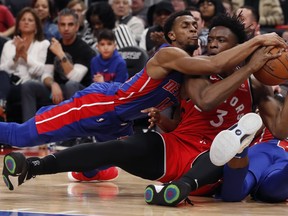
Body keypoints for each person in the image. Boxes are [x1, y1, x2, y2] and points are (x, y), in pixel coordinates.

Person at [1, 11, 286, 195]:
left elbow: (280, 129)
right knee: (24, 135)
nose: (205, 39)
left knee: (106, 161)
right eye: (205, 36)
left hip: (130, 122)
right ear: (171, 35)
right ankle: (34, 166)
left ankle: (90, 174)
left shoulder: (243, 81)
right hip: (105, 106)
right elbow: (207, 99)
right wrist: (255, 51)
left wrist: (165, 121)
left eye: (197, 28)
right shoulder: (184, 63)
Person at [144, 13, 288, 206]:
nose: (212, 44)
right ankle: (238, 145)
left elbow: (279, 130)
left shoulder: (257, 87)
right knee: (235, 193)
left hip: (254, 158)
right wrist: (163, 121)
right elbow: (196, 110)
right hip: (206, 152)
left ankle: (238, 146)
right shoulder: (195, 75)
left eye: (220, 40)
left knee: (257, 193)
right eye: (210, 39)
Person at [21, 8, 96, 122]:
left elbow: (74, 77)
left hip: (79, 91)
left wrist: (61, 54)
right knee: (29, 86)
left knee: (70, 85)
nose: (66, 28)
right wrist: (53, 84)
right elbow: (46, 75)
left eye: (70, 24)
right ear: (58, 26)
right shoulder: (54, 45)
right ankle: (31, 131)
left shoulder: (84, 49)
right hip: (57, 90)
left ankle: (73, 134)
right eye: (62, 24)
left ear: (76, 27)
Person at [210, 116, 288, 203]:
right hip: (267, 150)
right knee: (272, 192)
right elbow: (257, 123)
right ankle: (241, 145)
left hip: (264, 153)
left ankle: (240, 151)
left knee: (233, 194)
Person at [0, 7, 50, 122]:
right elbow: (2, 69)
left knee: (17, 90)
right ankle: (2, 105)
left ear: (36, 26)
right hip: (9, 85)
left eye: (30, 20)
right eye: (23, 19)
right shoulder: (9, 44)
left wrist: (25, 56)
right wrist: (16, 57)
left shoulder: (43, 44)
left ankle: (3, 106)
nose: (26, 22)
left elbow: (40, 71)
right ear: (18, 24)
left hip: (32, 86)